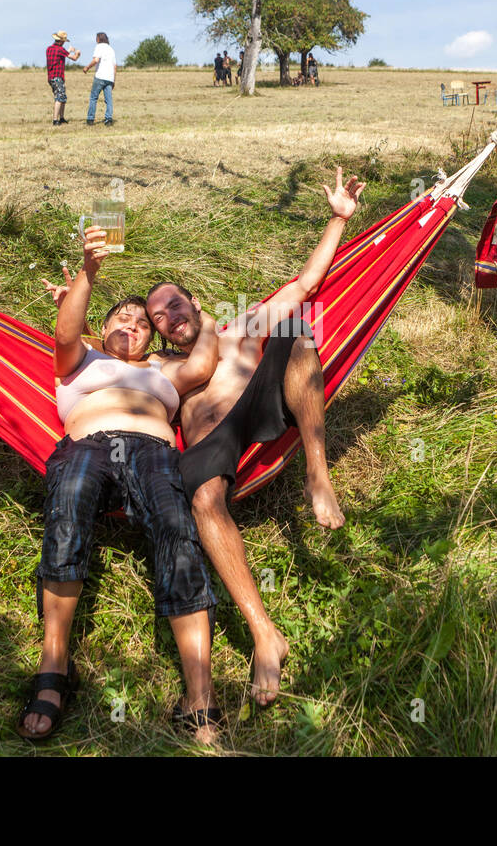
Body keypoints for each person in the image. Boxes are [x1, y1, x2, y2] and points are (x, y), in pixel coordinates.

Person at [145, 166, 364, 706]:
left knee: (295, 330)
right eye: (158, 317)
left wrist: (337, 219)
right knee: (202, 499)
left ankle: (318, 472)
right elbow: (92, 358)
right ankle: (266, 635)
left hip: (261, 399)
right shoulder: (159, 366)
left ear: (195, 304)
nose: (170, 318)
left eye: (175, 304)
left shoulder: (243, 323)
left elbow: (306, 284)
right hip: (210, 440)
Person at [17, 228, 223, 742]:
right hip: (87, 445)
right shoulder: (80, 361)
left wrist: (211, 316)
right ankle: (55, 668)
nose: (131, 325)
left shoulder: (161, 369)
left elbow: (202, 362)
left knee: (177, 529)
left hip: (154, 451)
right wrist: (89, 270)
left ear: (151, 341)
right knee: (67, 511)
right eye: (121, 318)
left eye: (141, 323)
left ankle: (199, 692)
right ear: (100, 329)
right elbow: (66, 333)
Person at [45, 31, 81, 126]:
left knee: (62, 97)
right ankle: (56, 120)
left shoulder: (49, 49)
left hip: (51, 77)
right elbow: (74, 58)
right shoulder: (60, 50)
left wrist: (68, 51)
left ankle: (61, 118)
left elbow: (59, 57)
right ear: (61, 41)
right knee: (60, 98)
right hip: (58, 77)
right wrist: (77, 53)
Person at [83, 32, 117, 126]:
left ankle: (90, 119)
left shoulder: (99, 47)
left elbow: (96, 60)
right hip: (109, 78)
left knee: (93, 98)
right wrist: (114, 80)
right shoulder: (111, 49)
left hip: (100, 76)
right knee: (109, 100)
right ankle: (108, 119)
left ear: (99, 39)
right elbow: (115, 66)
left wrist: (87, 67)